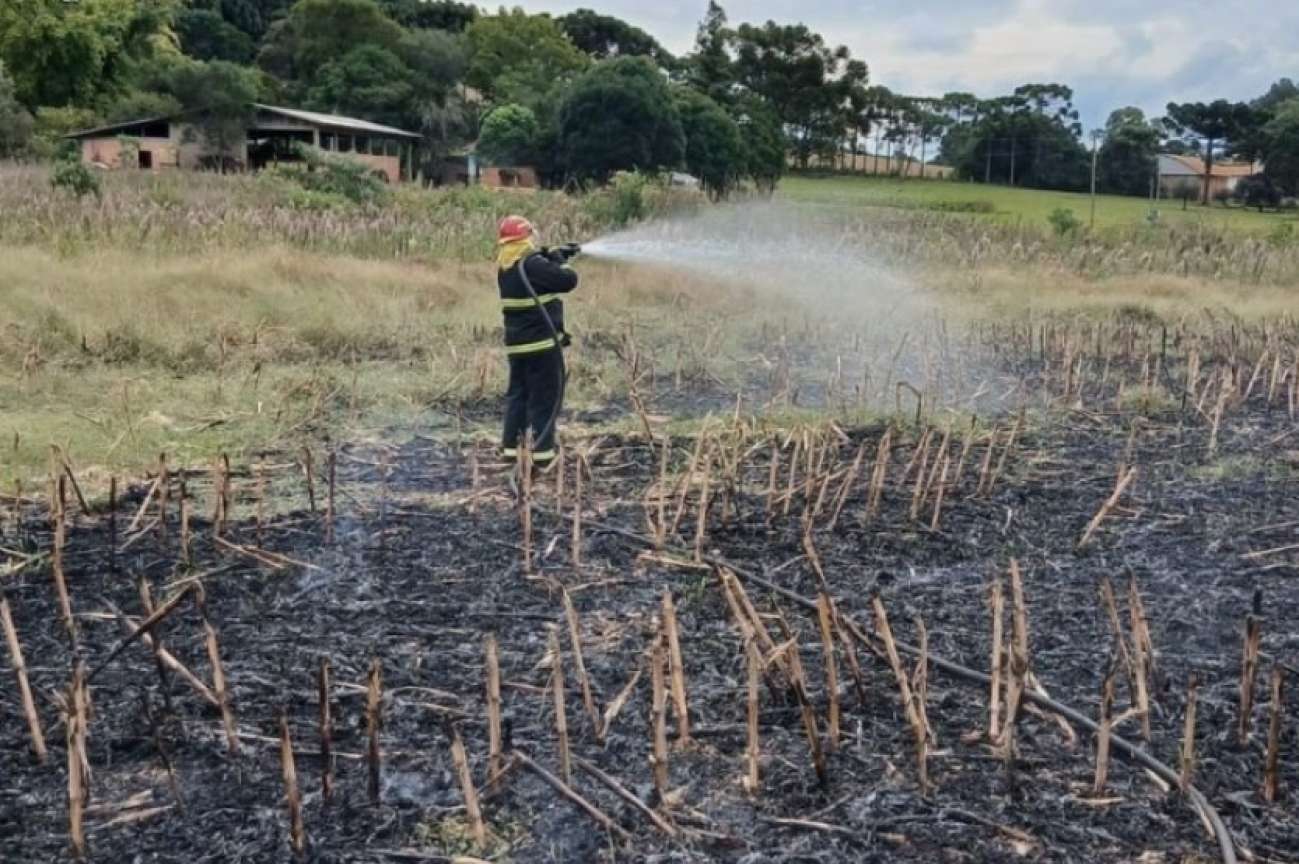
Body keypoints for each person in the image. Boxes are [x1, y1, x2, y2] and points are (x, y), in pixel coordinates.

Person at [495, 215, 579, 467]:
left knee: (518, 397)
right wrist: (559, 261)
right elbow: (568, 280)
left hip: (517, 346)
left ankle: (510, 450)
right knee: (544, 399)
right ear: (525, 237)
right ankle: (543, 456)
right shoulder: (532, 264)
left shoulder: (506, 266)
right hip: (542, 345)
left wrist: (550, 257)